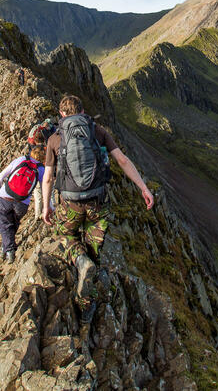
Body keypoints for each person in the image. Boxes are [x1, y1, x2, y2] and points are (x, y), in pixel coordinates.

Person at [42, 95, 154, 323]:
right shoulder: (98, 131)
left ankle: (80, 261)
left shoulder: (55, 138)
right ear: (83, 111)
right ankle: (86, 305)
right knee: (95, 250)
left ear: (62, 115)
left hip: (70, 203)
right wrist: (143, 188)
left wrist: (46, 206)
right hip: (97, 202)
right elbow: (122, 160)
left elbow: (47, 179)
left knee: (66, 234)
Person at [0, 143, 45, 263]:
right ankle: (6, 247)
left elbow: (2, 176)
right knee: (13, 223)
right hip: (22, 203)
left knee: (6, 224)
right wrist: (48, 206)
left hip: (4, 197)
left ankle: (8, 250)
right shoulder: (41, 168)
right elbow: (44, 188)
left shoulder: (21, 159)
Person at [27, 120, 56, 220]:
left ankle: (37, 216)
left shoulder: (32, 152)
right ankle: (52, 212)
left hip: (36, 176)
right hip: (46, 175)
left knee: (38, 197)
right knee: (50, 194)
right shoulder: (47, 149)